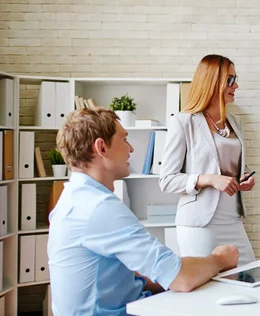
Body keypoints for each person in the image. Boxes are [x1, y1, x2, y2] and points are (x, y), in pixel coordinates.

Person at [48, 108, 239, 315]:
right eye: (124, 139)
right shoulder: (99, 208)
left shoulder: (74, 199)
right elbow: (182, 278)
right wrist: (219, 260)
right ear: (101, 148)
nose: (130, 149)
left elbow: (131, 279)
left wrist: (184, 273)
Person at [159, 54, 256, 265]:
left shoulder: (235, 123)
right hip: (199, 224)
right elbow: (166, 180)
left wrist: (245, 176)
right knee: (208, 287)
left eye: (235, 78)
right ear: (213, 82)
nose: (236, 85)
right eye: (230, 79)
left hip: (233, 219)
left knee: (249, 277)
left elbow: (231, 163)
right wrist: (210, 179)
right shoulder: (183, 122)